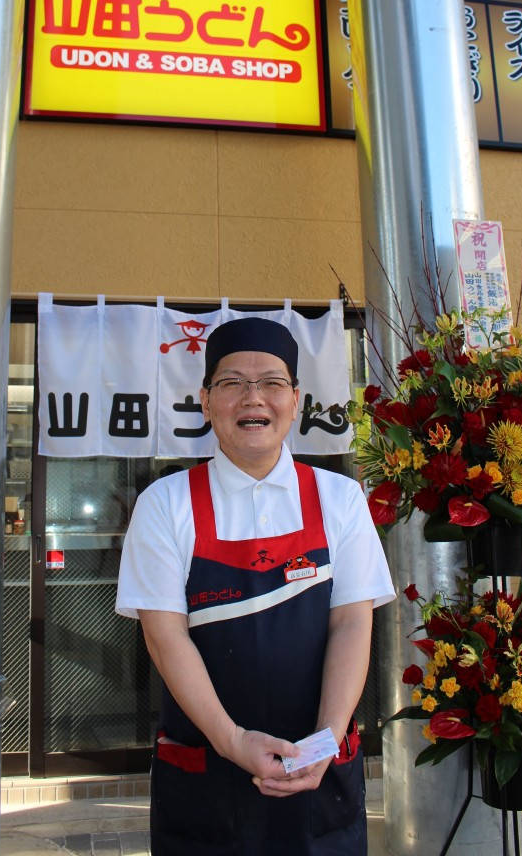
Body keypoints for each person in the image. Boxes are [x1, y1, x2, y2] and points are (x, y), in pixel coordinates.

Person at [116, 316, 395, 855]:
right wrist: (232, 740)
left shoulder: (340, 499)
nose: (253, 398)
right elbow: (164, 637)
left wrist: (326, 738)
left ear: (295, 398)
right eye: (232, 383)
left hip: (318, 766)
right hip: (205, 771)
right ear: (205, 400)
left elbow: (352, 622)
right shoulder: (165, 504)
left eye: (271, 382)